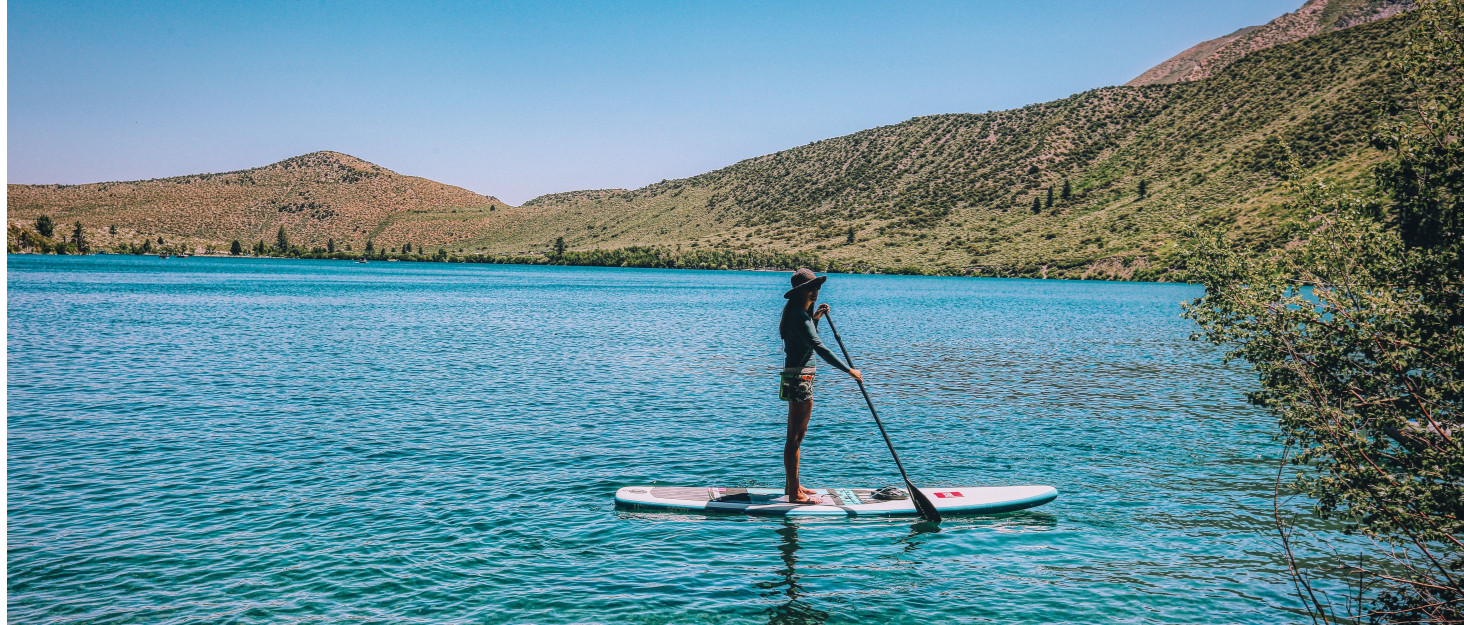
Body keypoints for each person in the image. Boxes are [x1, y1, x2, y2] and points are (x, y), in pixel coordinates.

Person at [779, 267, 862, 504]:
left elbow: (805, 338)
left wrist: (815, 319)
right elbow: (818, 346)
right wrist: (848, 370)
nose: (816, 291)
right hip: (800, 379)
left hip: (798, 376)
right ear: (800, 292)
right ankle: (794, 494)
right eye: (811, 288)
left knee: (796, 435)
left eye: (817, 287)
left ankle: (792, 485)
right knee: (795, 436)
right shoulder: (797, 314)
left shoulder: (799, 314)